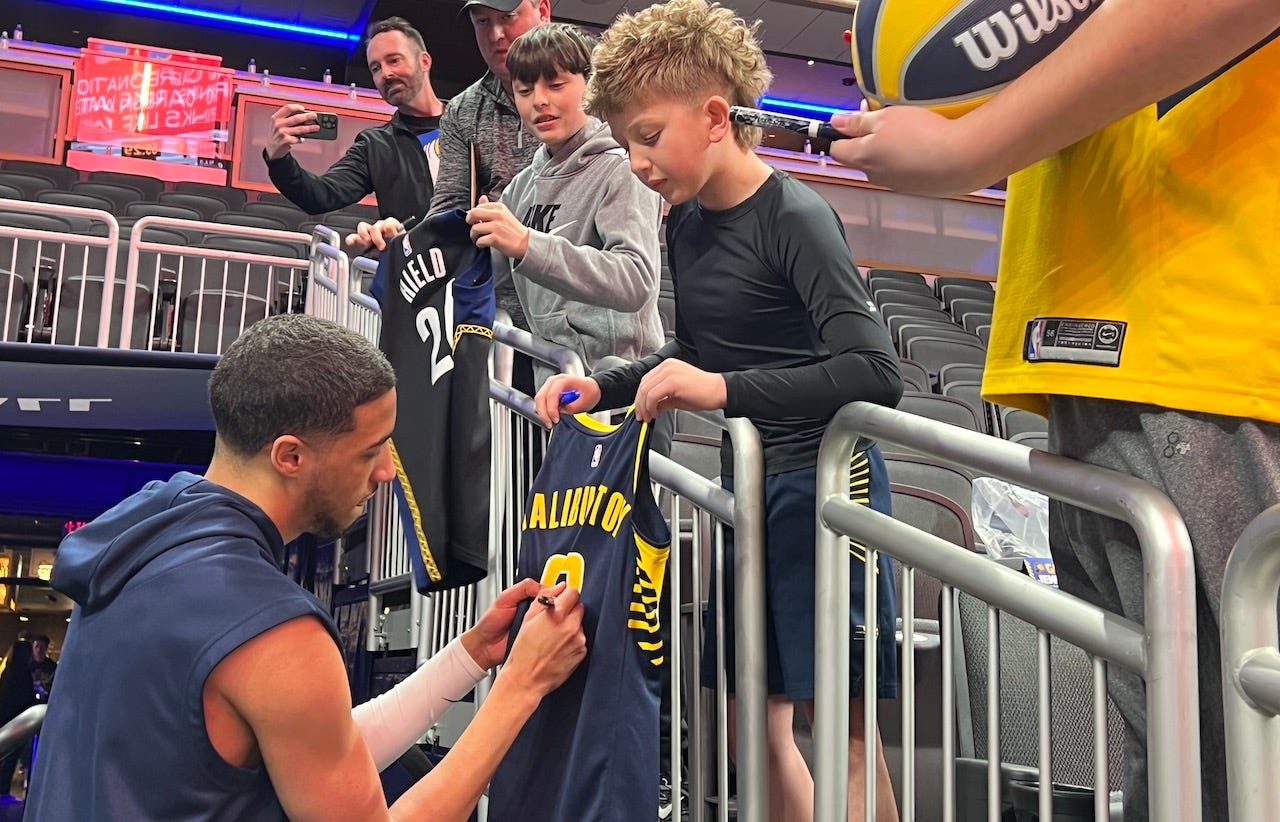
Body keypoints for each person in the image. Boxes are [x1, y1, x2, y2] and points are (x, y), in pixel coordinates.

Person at [825, 4, 1280, 821]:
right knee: (1191, 775)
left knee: (1237, 774)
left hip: (1211, 333)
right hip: (1116, 336)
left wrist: (971, 145)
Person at [536, 1, 904, 819]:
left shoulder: (798, 217)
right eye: (626, 140)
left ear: (713, 117)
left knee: (839, 729)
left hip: (827, 496)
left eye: (647, 135)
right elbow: (697, 352)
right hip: (751, 495)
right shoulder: (688, 225)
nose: (635, 162)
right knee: (751, 717)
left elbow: (875, 372)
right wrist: (609, 383)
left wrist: (725, 392)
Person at [26, 314, 587, 821]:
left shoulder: (145, 532)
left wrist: (469, 659)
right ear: (290, 456)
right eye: (371, 450)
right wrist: (521, 686)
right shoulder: (270, 626)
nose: (387, 472)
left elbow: (315, 753)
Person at [464, 22, 664, 385]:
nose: (539, 100)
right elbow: (479, 273)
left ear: (592, 87)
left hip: (624, 391)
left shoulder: (623, 169)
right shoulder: (522, 187)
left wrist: (528, 244)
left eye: (555, 85)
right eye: (524, 90)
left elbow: (636, 279)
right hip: (556, 385)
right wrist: (404, 244)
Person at [264, 17, 445, 249]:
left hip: (479, 274)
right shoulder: (375, 145)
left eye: (394, 60)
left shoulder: (467, 123)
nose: (386, 74)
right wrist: (278, 159)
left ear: (424, 61)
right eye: (376, 68)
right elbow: (319, 195)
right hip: (416, 276)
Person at [432, 0, 552, 333]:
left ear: (543, 11)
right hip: (497, 323)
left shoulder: (596, 92)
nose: (496, 34)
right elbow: (448, 210)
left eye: (507, 17)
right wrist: (406, 243)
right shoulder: (461, 110)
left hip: (581, 328)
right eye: (483, 21)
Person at [0, 640, 36, 802]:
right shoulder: (24, 674)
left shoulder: (8, 672)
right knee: (11, 758)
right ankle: (3, 790)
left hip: (5, 719)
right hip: (18, 721)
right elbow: (26, 699)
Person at [29, 635, 55, 700]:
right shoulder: (26, 665)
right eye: (36, 646)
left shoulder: (52, 666)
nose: (39, 650)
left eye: (42, 647)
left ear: (46, 648)